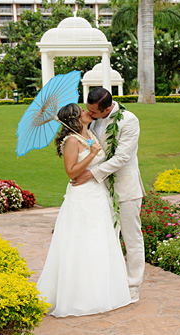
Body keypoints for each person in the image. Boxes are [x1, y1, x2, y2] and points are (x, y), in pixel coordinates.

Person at [37, 103, 131, 317]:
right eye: (82, 111)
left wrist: (93, 150)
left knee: (100, 240)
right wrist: (91, 154)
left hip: (98, 194)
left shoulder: (89, 133)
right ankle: (80, 297)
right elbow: (71, 173)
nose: (87, 112)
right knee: (82, 241)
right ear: (75, 119)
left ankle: (104, 292)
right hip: (82, 197)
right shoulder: (71, 141)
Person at [73, 87, 146, 304]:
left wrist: (90, 174)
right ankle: (110, 283)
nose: (89, 114)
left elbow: (122, 158)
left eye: (93, 112)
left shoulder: (129, 121)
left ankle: (133, 285)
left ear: (107, 109)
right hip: (100, 190)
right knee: (106, 237)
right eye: (88, 110)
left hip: (126, 188)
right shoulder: (92, 120)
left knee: (132, 239)